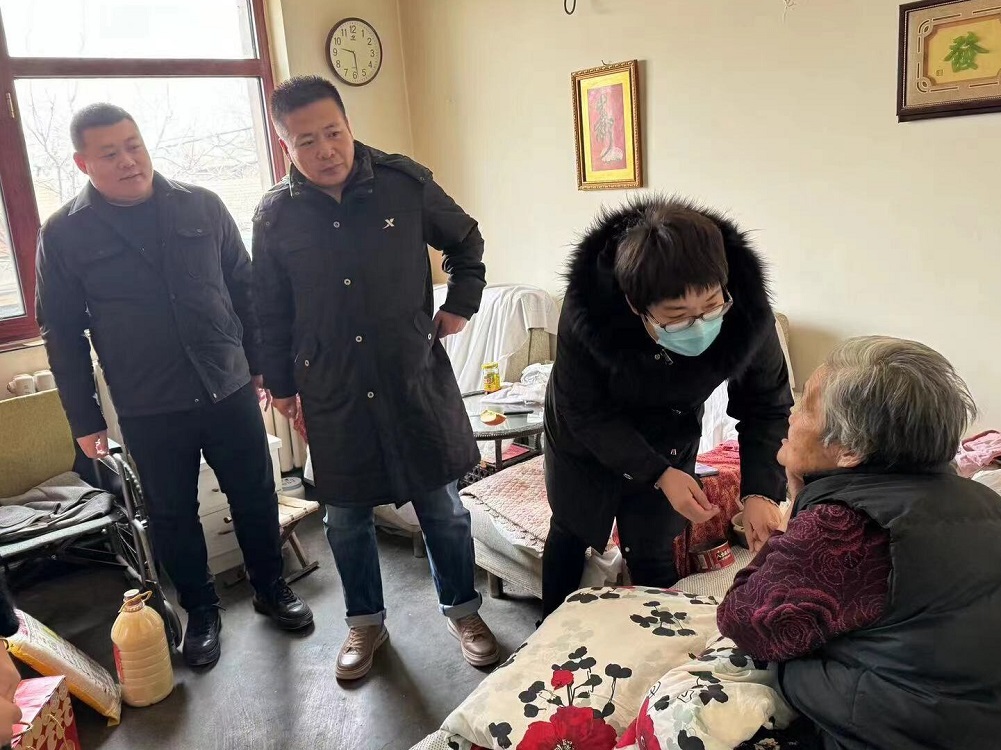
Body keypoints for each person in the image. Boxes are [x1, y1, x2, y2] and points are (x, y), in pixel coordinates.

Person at [36, 103, 313, 669]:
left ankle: (271, 587)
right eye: (110, 153)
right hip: (148, 402)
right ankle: (202, 612)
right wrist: (85, 420)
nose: (128, 160)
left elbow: (244, 287)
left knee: (255, 496)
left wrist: (261, 364)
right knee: (172, 515)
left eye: (133, 145)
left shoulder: (201, 205)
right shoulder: (64, 233)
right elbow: (60, 333)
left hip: (227, 385)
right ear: (83, 163)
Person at [252, 75, 498, 681]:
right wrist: (281, 386)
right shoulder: (276, 216)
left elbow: (466, 239)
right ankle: (365, 623)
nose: (326, 150)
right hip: (332, 387)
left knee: (442, 506)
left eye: (333, 132)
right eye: (307, 141)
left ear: (348, 124)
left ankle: (464, 612)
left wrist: (460, 304)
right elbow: (269, 309)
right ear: (285, 145)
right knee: (345, 518)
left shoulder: (402, 184)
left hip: (410, 375)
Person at [719, 336, 1001, 749]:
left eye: (806, 405)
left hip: (903, 731)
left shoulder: (844, 525)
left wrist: (796, 511)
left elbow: (744, 621)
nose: (792, 414)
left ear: (850, 449)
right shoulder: (984, 499)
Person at [542, 199, 793, 617]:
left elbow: (767, 404)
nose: (700, 324)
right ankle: (548, 633)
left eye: (711, 305)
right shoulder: (589, 308)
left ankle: (656, 631)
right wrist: (656, 472)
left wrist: (760, 491)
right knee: (572, 530)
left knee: (655, 540)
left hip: (671, 428)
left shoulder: (747, 309)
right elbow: (582, 408)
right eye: (677, 316)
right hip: (587, 430)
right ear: (635, 305)